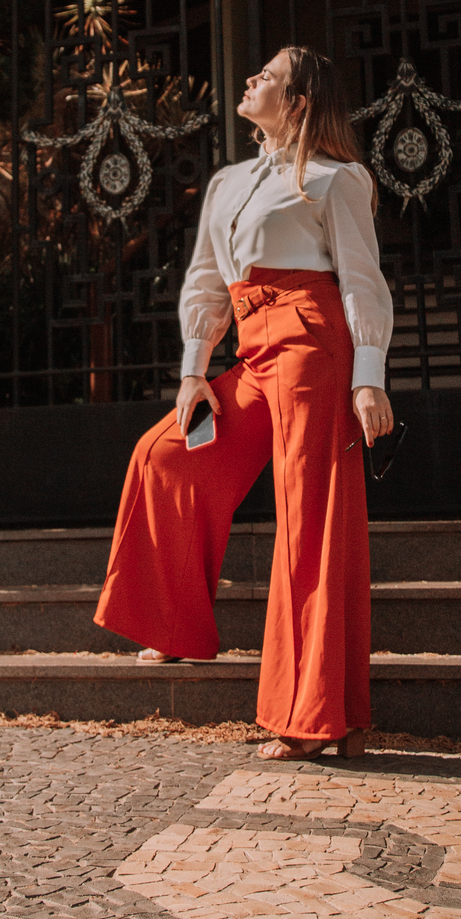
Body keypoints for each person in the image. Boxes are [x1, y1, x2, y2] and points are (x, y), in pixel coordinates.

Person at [94, 45, 394, 760]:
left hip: (313, 347)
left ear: (296, 102)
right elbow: (207, 280)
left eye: (269, 74)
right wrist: (193, 370)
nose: (252, 76)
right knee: (165, 456)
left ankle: (314, 717)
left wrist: (369, 375)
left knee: (309, 520)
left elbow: (362, 279)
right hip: (253, 352)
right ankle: (173, 625)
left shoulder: (338, 179)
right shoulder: (229, 182)